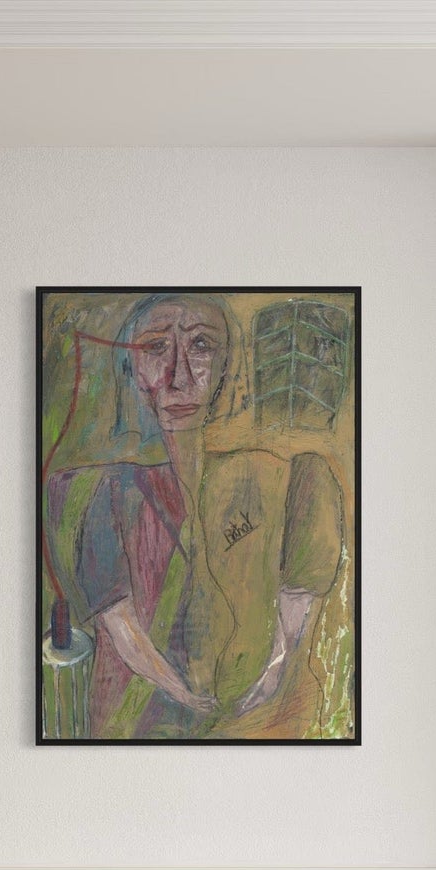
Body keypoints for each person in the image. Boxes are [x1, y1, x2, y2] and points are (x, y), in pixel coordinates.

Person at [52, 291, 348, 740]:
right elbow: (121, 626)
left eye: (201, 347)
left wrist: (275, 665)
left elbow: (306, 565)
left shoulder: (275, 478)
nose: (179, 377)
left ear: (227, 366)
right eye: (156, 349)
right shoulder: (102, 491)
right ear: (131, 369)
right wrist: (183, 693)